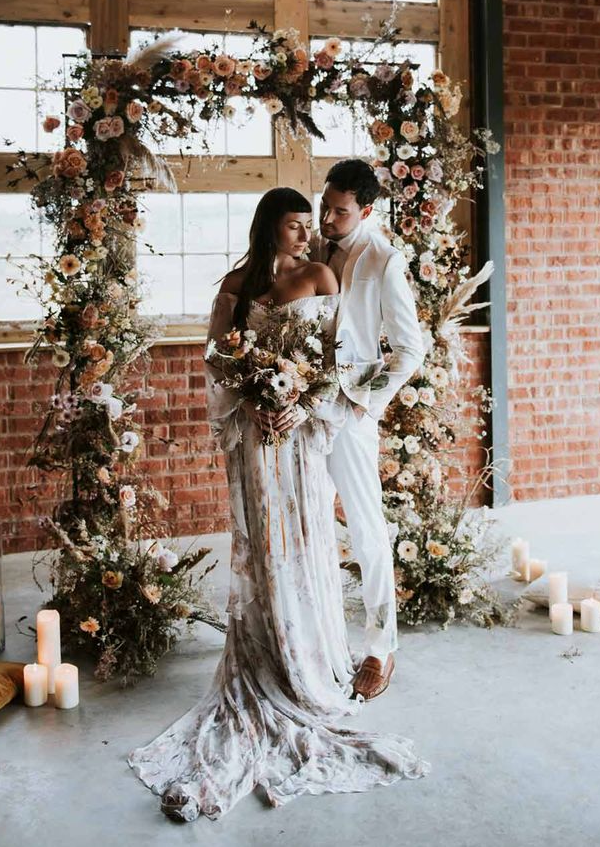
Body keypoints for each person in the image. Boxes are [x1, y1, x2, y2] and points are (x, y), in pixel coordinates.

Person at [128, 187, 429, 822]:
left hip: (303, 434)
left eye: (311, 223)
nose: (307, 234)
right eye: (294, 226)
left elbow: (335, 359)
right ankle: (263, 653)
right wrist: (254, 395)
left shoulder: (322, 275)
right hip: (255, 441)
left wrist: (301, 400)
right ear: (270, 228)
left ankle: (313, 655)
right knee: (264, 546)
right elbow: (218, 360)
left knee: (310, 538)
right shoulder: (235, 285)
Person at [310, 159, 432, 701]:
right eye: (325, 207)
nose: (328, 219)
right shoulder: (307, 246)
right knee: (308, 525)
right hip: (300, 410)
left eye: (340, 212)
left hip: (350, 412)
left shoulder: (382, 258)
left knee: (365, 527)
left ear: (366, 210)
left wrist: (368, 401)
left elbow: (411, 349)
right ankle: (315, 638)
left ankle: (381, 648)